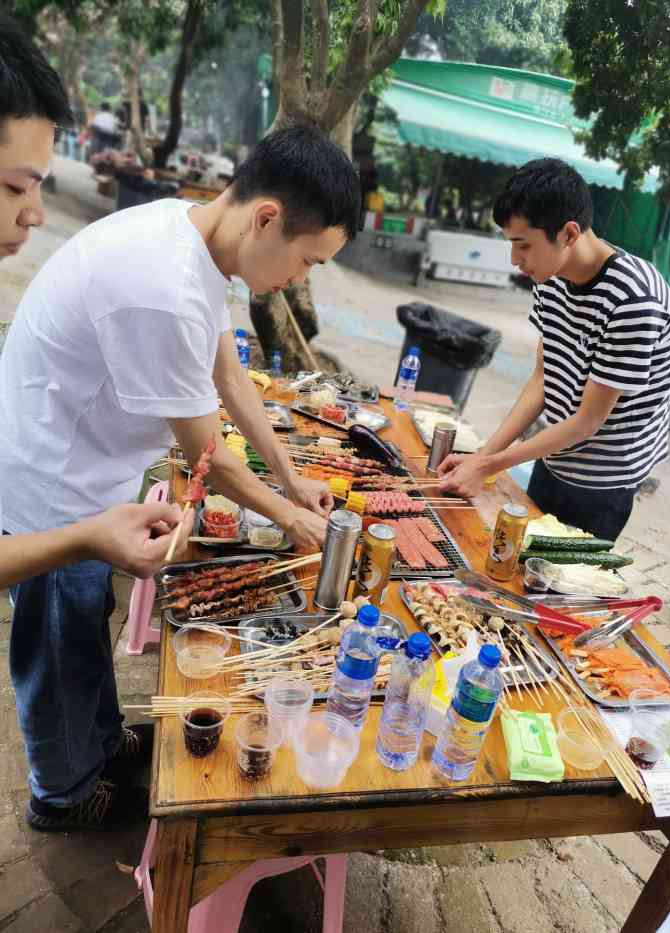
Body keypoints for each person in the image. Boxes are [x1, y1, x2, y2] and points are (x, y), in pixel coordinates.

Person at [0, 118, 360, 830]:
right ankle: (63, 794)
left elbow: (228, 372)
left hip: (88, 469)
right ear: (267, 219)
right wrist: (291, 521)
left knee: (83, 623)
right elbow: (208, 457)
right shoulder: (162, 281)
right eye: (309, 260)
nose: (301, 279)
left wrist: (291, 480)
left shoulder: (194, 236)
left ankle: (101, 741)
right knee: (59, 639)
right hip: (49, 481)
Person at [0, 14, 193, 589]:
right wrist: (86, 538)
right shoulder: (161, 269)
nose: (35, 213)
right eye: (15, 186)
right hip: (48, 495)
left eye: (38, 186)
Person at [438, 158, 670, 541]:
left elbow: (587, 422)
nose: (516, 261)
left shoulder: (634, 300)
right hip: (553, 453)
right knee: (518, 555)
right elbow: (543, 378)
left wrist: (490, 466)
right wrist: (485, 457)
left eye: (524, 245)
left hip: (603, 480)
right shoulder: (550, 278)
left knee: (561, 586)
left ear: (568, 234)